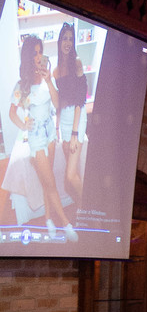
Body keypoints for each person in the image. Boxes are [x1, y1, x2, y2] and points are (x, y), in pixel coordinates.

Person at [7, 35, 76, 242]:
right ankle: (66, 223)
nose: (38, 57)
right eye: (34, 53)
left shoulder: (48, 77)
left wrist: (48, 80)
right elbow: (12, 113)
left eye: (40, 52)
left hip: (50, 132)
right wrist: (23, 125)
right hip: (36, 136)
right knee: (51, 181)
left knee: (47, 181)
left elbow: (57, 104)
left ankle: (47, 219)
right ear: (29, 57)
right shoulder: (22, 85)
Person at [53, 21, 88, 213]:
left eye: (70, 39)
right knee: (71, 172)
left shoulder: (77, 63)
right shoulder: (56, 70)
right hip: (64, 121)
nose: (67, 42)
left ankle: (86, 206)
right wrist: (58, 128)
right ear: (60, 42)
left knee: (70, 175)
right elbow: (60, 101)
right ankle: (81, 204)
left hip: (77, 118)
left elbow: (79, 100)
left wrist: (75, 133)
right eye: (64, 38)